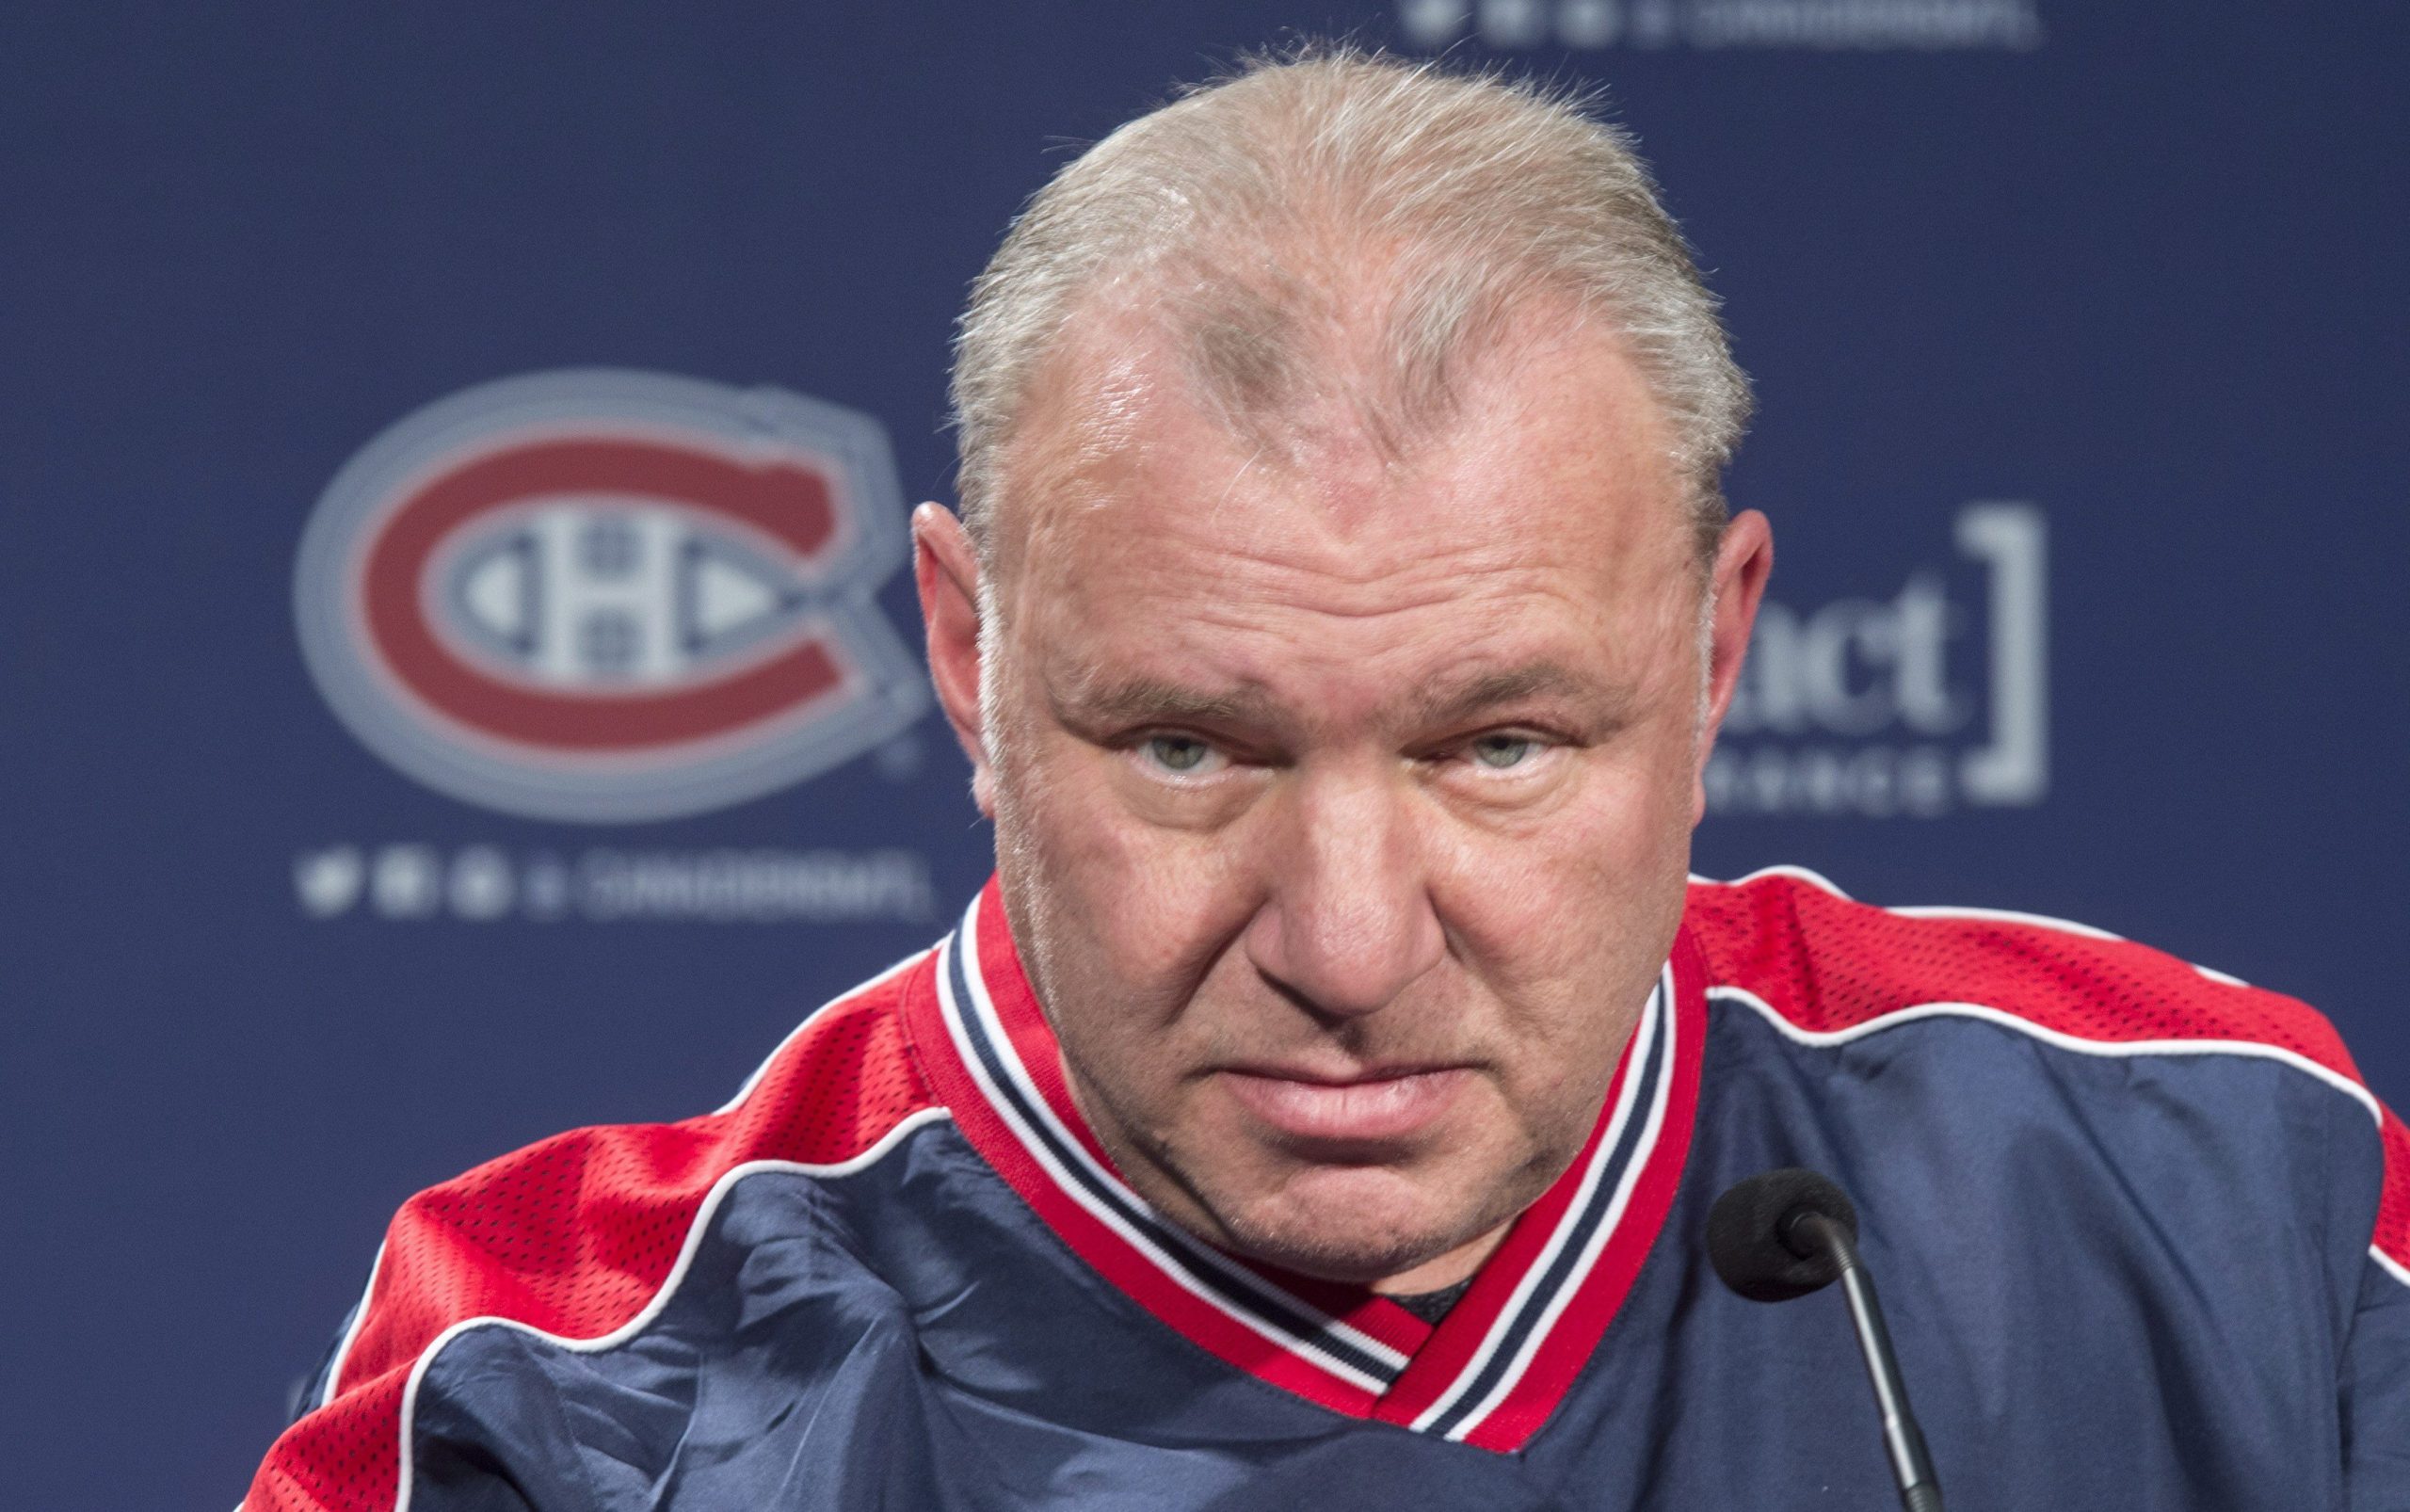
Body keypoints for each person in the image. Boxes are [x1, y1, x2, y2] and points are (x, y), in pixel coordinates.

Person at [246, 47, 2410, 1511]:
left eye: (1497, 746)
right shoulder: (566, 1395)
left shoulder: (2228, 1196)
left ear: (1710, 650)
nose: (1350, 947)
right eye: (1190, 748)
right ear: (971, 657)